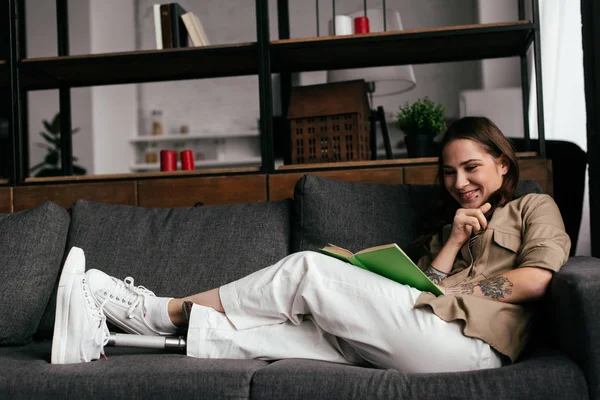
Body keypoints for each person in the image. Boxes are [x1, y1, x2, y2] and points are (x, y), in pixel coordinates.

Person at [50, 116, 570, 373]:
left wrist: (459, 293)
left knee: (308, 269)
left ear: (503, 163)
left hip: (473, 346)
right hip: (428, 330)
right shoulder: (448, 228)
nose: (460, 182)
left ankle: (159, 309)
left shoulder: (532, 207)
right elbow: (426, 287)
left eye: (472, 168)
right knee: (286, 334)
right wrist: (454, 240)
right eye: (450, 172)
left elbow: (534, 280)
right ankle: (105, 340)